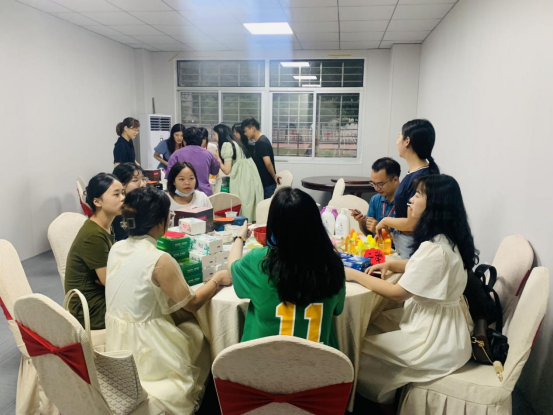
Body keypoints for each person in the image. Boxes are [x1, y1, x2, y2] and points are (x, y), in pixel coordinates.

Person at [346, 175, 475, 405]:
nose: (411, 200)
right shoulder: (447, 239)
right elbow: (425, 267)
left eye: (418, 195)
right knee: (372, 322)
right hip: (445, 326)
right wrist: (392, 265)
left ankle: (384, 402)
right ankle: (389, 398)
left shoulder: (434, 248)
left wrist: (354, 275)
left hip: (435, 338)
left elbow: (397, 293)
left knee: (358, 347)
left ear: (434, 204)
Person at [105, 187, 231, 414]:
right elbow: (192, 303)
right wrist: (217, 280)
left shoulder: (117, 247)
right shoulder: (159, 259)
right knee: (199, 334)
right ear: (160, 222)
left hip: (117, 342)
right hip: (148, 344)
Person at [228, 188, 346, 348]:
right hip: (319, 361)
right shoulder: (332, 264)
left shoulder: (258, 260)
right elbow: (337, 310)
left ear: (274, 224)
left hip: (261, 361)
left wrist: (240, 237)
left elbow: (232, 267)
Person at [65, 173, 124, 329]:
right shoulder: (94, 235)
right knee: (147, 304)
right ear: (97, 201)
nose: (123, 198)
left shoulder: (105, 226)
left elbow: (111, 274)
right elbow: (109, 282)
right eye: (116, 194)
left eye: (123, 193)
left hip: (101, 296)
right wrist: (114, 275)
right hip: (90, 309)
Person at [377, 119, 440, 258]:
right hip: (404, 241)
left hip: (411, 245)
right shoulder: (415, 173)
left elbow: (411, 224)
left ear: (407, 141)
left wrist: (385, 221)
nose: (396, 142)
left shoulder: (420, 177)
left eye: (399, 136)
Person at [213, 124, 263, 221]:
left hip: (241, 179)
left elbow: (226, 170)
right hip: (250, 177)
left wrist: (217, 158)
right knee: (248, 204)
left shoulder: (227, 145)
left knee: (241, 204)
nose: (214, 137)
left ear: (220, 134)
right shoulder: (236, 143)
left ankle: (241, 225)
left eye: (214, 134)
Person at [352, 158, 400, 236]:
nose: (377, 188)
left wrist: (380, 230)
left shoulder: (406, 202)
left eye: (380, 184)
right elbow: (368, 234)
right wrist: (361, 222)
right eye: (373, 184)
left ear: (395, 180)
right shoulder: (375, 199)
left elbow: (404, 239)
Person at [166, 127, 220, 196]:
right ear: (201, 141)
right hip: (204, 194)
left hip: (182, 194)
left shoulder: (176, 154)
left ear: (184, 141)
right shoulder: (208, 154)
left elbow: (170, 176)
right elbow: (215, 171)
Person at [241, 117, 281, 199]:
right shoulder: (261, 141)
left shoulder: (262, 142)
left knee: (265, 206)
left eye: (245, 131)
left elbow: (268, 163)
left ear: (253, 129)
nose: (245, 134)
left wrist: (274, 176)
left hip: (267, 184)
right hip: (264, 183)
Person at [111, 163, 148, 241]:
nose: (142, 185)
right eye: (135, 180)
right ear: (121, 184)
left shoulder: (143, 202)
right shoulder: (117, 208)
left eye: (143, 179)